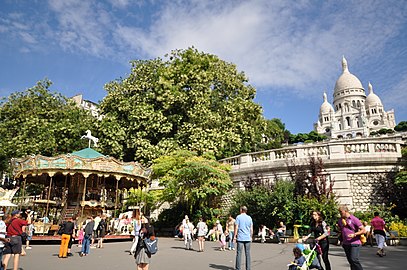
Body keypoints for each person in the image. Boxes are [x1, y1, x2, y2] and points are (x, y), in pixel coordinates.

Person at [337, 205, 365, 270]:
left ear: (346, 211)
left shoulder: (354, 219)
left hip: (354, 242)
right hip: (346, 243)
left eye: (341, 212)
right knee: (351, 261)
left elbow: (363, 230)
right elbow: (341, 230)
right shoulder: (340, 220)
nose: (340, 213)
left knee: (354, 259)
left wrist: (354, 234)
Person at [234, 206, 253, 270]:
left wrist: (234, 236)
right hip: (247, 237)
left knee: (239, 253)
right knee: (248, 253)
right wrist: (251, 236)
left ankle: (238, 268)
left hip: (240, 238)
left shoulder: (238, 217)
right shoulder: (249, 218)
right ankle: (248, 268)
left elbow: (236, 227)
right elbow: (251, 228)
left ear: (241, 210)